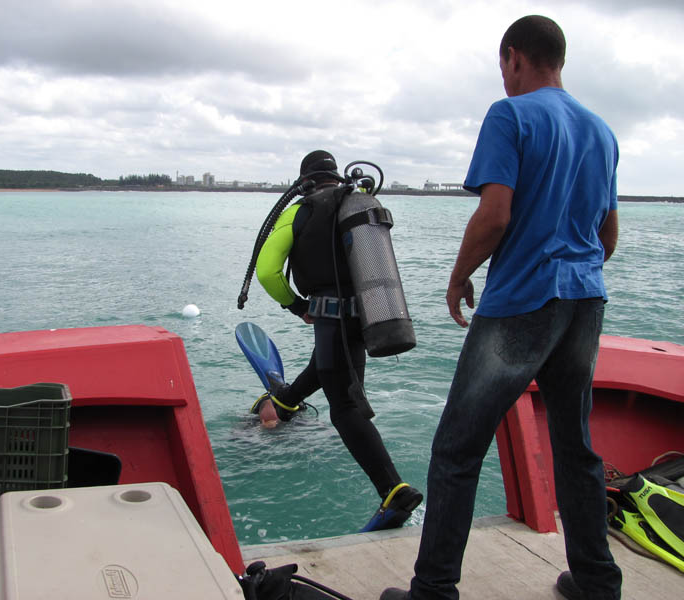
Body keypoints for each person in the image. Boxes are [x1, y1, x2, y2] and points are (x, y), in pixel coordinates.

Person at [380, 15, 622, 600]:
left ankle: (433, 590)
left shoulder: (509, 114)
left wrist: (459, 276)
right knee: (574, 446)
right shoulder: (601, 130)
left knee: (457, 448)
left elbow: (495, 214)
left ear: (514, 58)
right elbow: (608, 233)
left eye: (504, 68)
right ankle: (595, 580)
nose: (505, 79)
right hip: (585, 299)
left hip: (523, 301)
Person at [255, 150, 423, 529]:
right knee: (331, 368)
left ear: (306, 180)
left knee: (344, 405)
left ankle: (393, 489)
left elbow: (267, 271)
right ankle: (282, 403)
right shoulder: (355, 203)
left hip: (329, 316)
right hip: (367, 313)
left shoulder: (300, 210)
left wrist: (295, 305)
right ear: (335, 175)